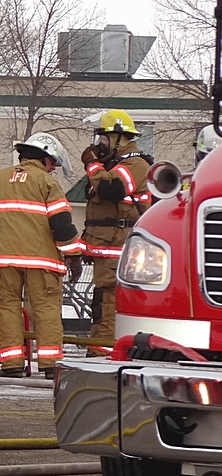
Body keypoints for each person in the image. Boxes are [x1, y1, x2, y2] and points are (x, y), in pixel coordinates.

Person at [0, 133, 83, 379]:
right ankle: (51, 364)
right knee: (46, 310)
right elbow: (62, 226)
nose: (53, 169)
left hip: (3, 260)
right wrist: (73, 255)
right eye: (53, 163)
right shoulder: (47, 184)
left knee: (7, 309)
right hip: (42, 262)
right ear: (44, 158)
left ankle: (12, 365)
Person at [80, 109, 152, 356]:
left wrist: (92, 164)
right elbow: (100, 212)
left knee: (108, 303)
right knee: (102, 301)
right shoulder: (113, 165)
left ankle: (102, 352)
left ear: (120, 138)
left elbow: (112, 190)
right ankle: (99, 347)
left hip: (118, 250)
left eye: (104, 139)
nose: (100, 145)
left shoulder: (135, 164)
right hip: (107, 249)